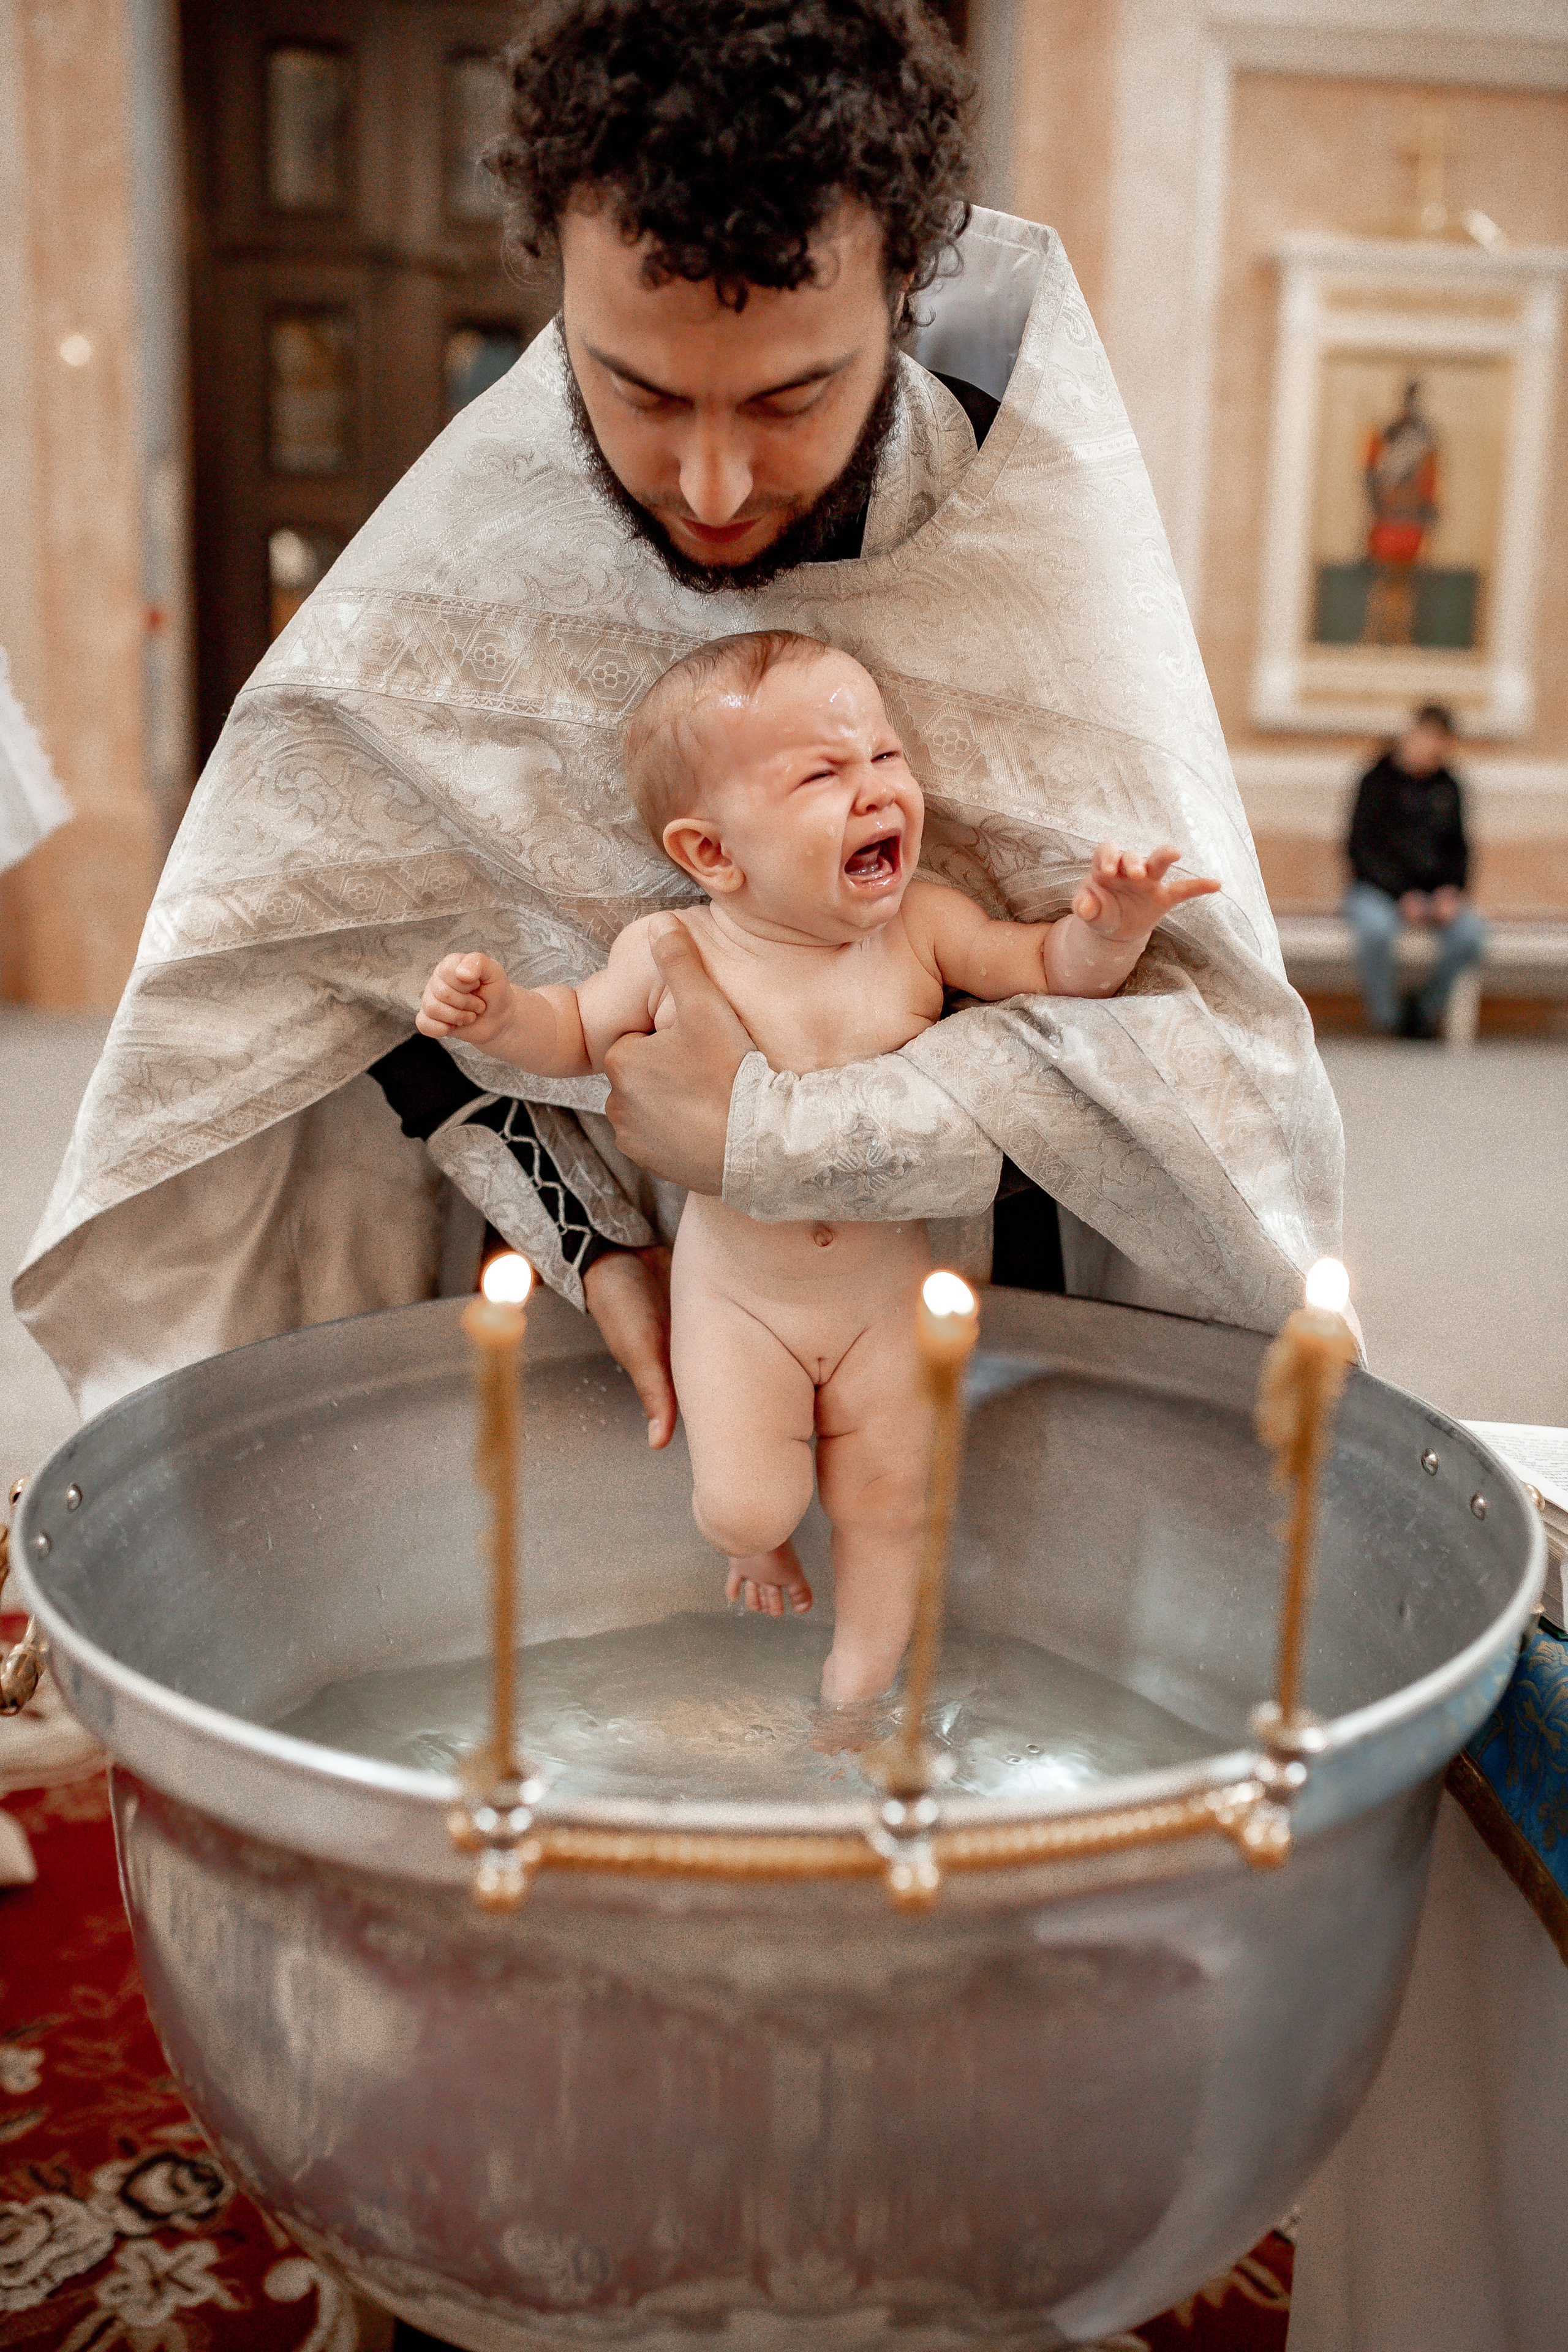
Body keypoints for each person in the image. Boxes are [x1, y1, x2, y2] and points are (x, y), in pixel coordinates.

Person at [16, 0, 1344, 1444]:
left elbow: (1211, 1079)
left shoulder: (1034, 549)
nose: (709, 483)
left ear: (902, 284)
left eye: (793, 394)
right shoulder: (482, 537)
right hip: (601, 1307)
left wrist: (784, 1139)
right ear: (555, 295)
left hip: (979, 1330)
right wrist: (594, 1241)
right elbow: (336, 961)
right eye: (634, 388)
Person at [418, 630, 1219, 1699]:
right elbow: (572, 1033)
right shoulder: (673, 951)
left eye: (885, 758)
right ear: (713, 854)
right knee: (744, 1502)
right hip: (736, 1295)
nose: (877, 791)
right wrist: (501, 1013)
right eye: (823, 774)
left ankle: (858, 1687)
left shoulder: (926, 928)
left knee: (893, 1501)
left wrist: (1109, 929)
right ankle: (757, 1543)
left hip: (884, 1294)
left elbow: (1044, 969)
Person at [1344, 703, 1486, 1039]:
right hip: (1377, 891)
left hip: (1434, 895)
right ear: (1414, 734)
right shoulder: (1376, 781)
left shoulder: (1449, 786)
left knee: (1470, 936)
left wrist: (1452, 890)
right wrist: (1400, 895)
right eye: (1430, 738)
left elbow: (1459, 849)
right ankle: (1387, 1019)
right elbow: (1361, 850)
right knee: (1376, 931)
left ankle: (1423, 1011)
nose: (1434, 749)